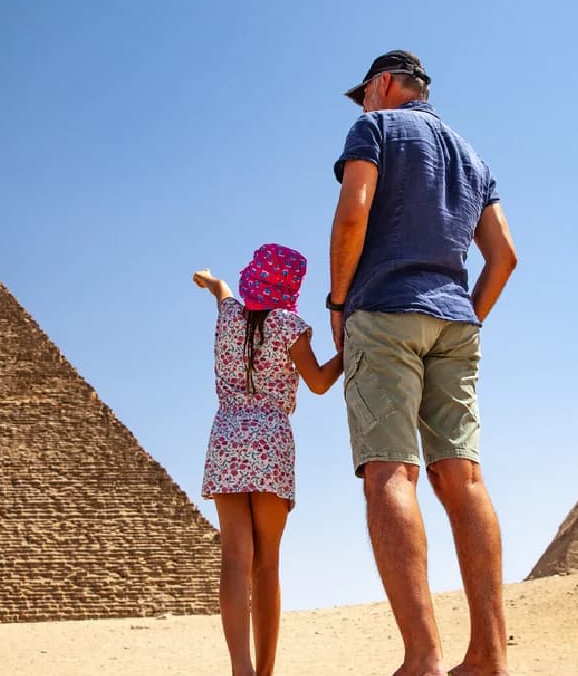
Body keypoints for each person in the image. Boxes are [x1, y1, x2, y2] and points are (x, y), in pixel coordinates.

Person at [328, 50, 519, 676]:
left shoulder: (375, 129)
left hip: (384, 311)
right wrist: (467, 318)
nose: (363, 105)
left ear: (382, 85)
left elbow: (353, 213)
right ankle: (489, 655)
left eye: (365, 94)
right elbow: (504, 257)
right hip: (455, 319)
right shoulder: (473, 156)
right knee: (463, 480)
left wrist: (338, 302)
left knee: (391, 474)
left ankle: (422, 658)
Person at [192, 244, 343, 676]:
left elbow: (221, 290)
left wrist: (208, 278)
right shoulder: (289, 327)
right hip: (271, 443)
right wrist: (347, 353)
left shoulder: (229, 317)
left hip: (227, 439)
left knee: (235, 559)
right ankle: (265, 671)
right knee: (267, 563)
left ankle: (240, 668)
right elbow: (316, 383)